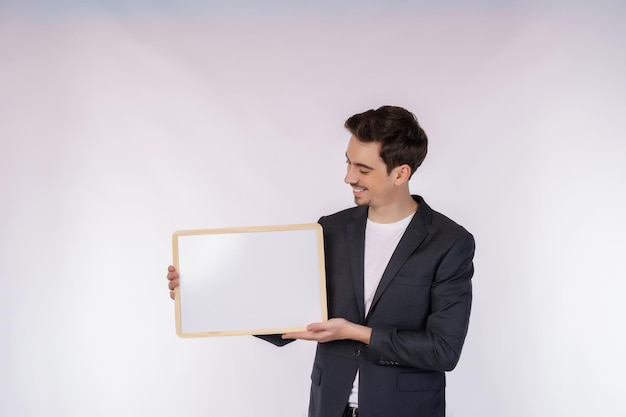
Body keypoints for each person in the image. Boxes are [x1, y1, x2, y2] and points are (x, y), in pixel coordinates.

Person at [167, 105, 475, 417]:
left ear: (401, 173)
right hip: (329, 405)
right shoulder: (330, 229)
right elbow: (286, 315)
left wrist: (355, 332)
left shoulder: (449, 243)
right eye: (348, 163)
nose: (349, 177)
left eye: (363, 169)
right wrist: (207, 294)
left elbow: (442, 351)